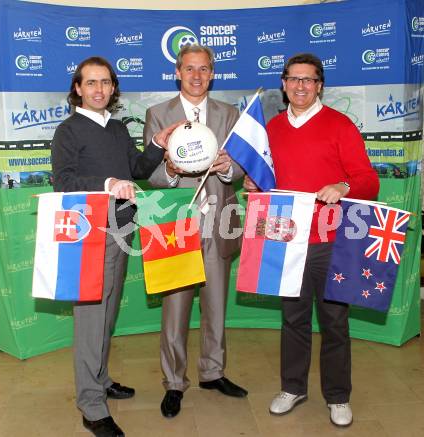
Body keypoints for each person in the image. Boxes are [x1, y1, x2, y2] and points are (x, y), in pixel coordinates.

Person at [244, 53, 379, 427]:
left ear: (319, 85)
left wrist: (343, 185)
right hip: (286, 239)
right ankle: (293, 387)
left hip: (331, 239)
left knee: (335, 321)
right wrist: (253, 184)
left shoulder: (340, 125)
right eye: (293, 79)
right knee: (293, 318)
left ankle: (338, 396)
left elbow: (368, 180)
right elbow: (262, 177)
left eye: (309, 79)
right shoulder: (271, 127)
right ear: (284, 84)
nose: (300, 86)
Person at [51, 56, 178, 437]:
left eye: (105, 82)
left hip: (122, 229)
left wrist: (157, 145)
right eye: (91, 83)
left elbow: (137, 170)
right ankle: (91, 405)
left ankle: (101, 379)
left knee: (105, 317)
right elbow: (64, 181)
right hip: (90, 236)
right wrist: (107, 183)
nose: (99, 90)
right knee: (91, 322)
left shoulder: (119, 128)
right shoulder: (68, 131)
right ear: (78, 88)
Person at [143, 44, 248, 419]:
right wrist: (170, 169)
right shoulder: (158, 115)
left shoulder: (229, 114)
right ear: (177, 72)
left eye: (204, 69)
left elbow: (240, 169)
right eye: (190, 69)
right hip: (177, 224)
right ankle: (174, 382)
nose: (197, 76)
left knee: (216, 305)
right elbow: (150, 173)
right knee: (175, 310)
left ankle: (212, 372)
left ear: (212, 73)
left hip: (219, 220)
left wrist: (225, 168)